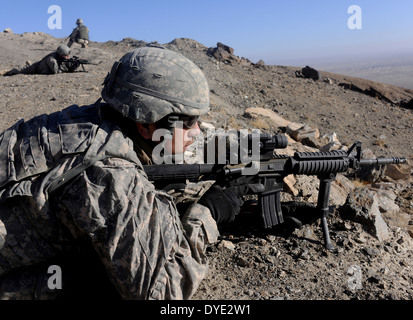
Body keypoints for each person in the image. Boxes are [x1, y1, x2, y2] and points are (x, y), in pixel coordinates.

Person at [0, 46, 252, 300]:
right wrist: (210, 211)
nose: (197, 131)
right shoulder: (111, 175)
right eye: (187, 122)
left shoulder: (86, 120)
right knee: (93, 280)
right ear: (145, 124)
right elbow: (164, 293)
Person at [3, 44, 72, 76]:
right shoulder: (52, 59)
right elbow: (56, 71)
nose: (67, 57)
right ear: (60, 54)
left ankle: (28, 64)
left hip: (40, 66)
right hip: (36, 68)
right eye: (65, 55)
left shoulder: (58, 56)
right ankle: (6, 72)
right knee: (20, 71)